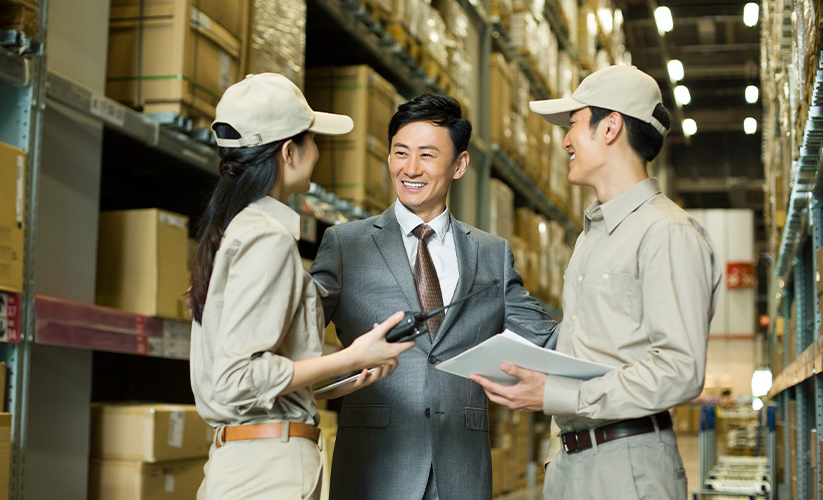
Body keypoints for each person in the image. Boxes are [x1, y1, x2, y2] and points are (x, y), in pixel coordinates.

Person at [470, 65, 722, 499]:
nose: (565, 140)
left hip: (628, 466)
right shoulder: (593, 236)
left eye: (573, 125)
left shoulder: (666, 233)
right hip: (573, 462)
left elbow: (680, 371)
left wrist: (558, 394)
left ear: (610, 126)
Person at [309, 93, 559, 500]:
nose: (410, 169)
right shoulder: (345, 244)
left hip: (460, 468)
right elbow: (293, 326)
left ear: (459, 165)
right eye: (400, 153)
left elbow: (543, 336)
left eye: (427, 155)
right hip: (374, 467)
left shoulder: (490, 253)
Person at [188, 73, 415, 500]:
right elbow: (238, 377)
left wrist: (348, 373)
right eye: (312, 140)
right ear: (289, 152)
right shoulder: (267, 238)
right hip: (266, 471)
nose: (318, 151)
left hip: (252, 461)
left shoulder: (235, 229)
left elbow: (255, 376)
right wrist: (351, 354)